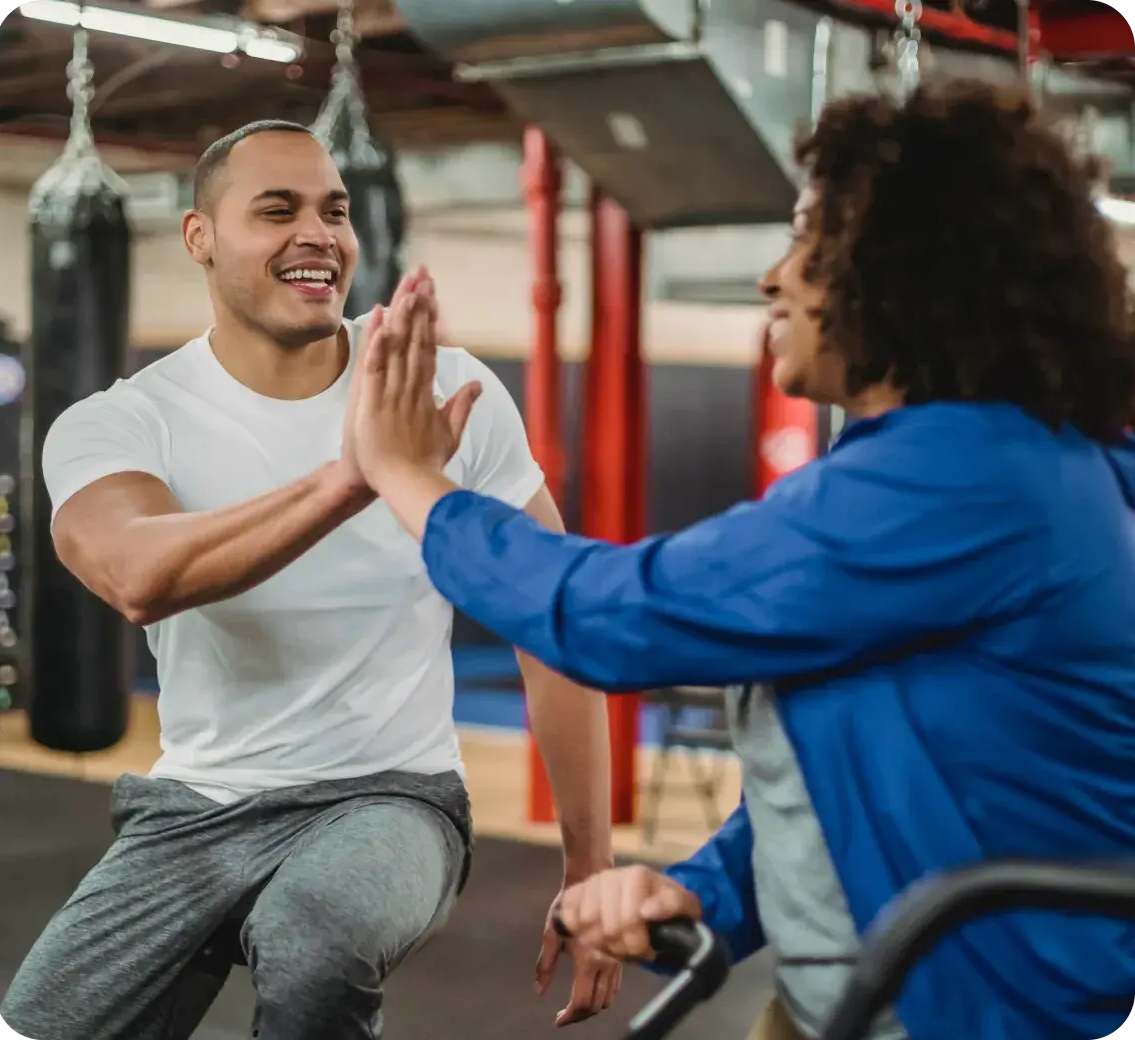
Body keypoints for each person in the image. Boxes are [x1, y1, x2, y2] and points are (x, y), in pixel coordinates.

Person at [335, 80, 1135, 1040]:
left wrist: (409, 477)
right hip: (869, 994)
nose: (774, 278)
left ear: (907, 268)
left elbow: (614, 616)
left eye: (807, 240)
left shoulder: (968, 477)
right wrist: (700, 892)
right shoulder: (980, 467)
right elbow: (853, 778)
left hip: (980, 1015)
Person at [1, 119, 622, 1040]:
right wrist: (355, 476)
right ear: (200, 239)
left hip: (392, 794)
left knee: (315, 935)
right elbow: (139, 572)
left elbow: (550, 621)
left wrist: (590, 866)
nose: (318, 234)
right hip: (196, 807)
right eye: (276, 210)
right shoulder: (122, 422)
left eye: (335, 210)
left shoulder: (442, 391)